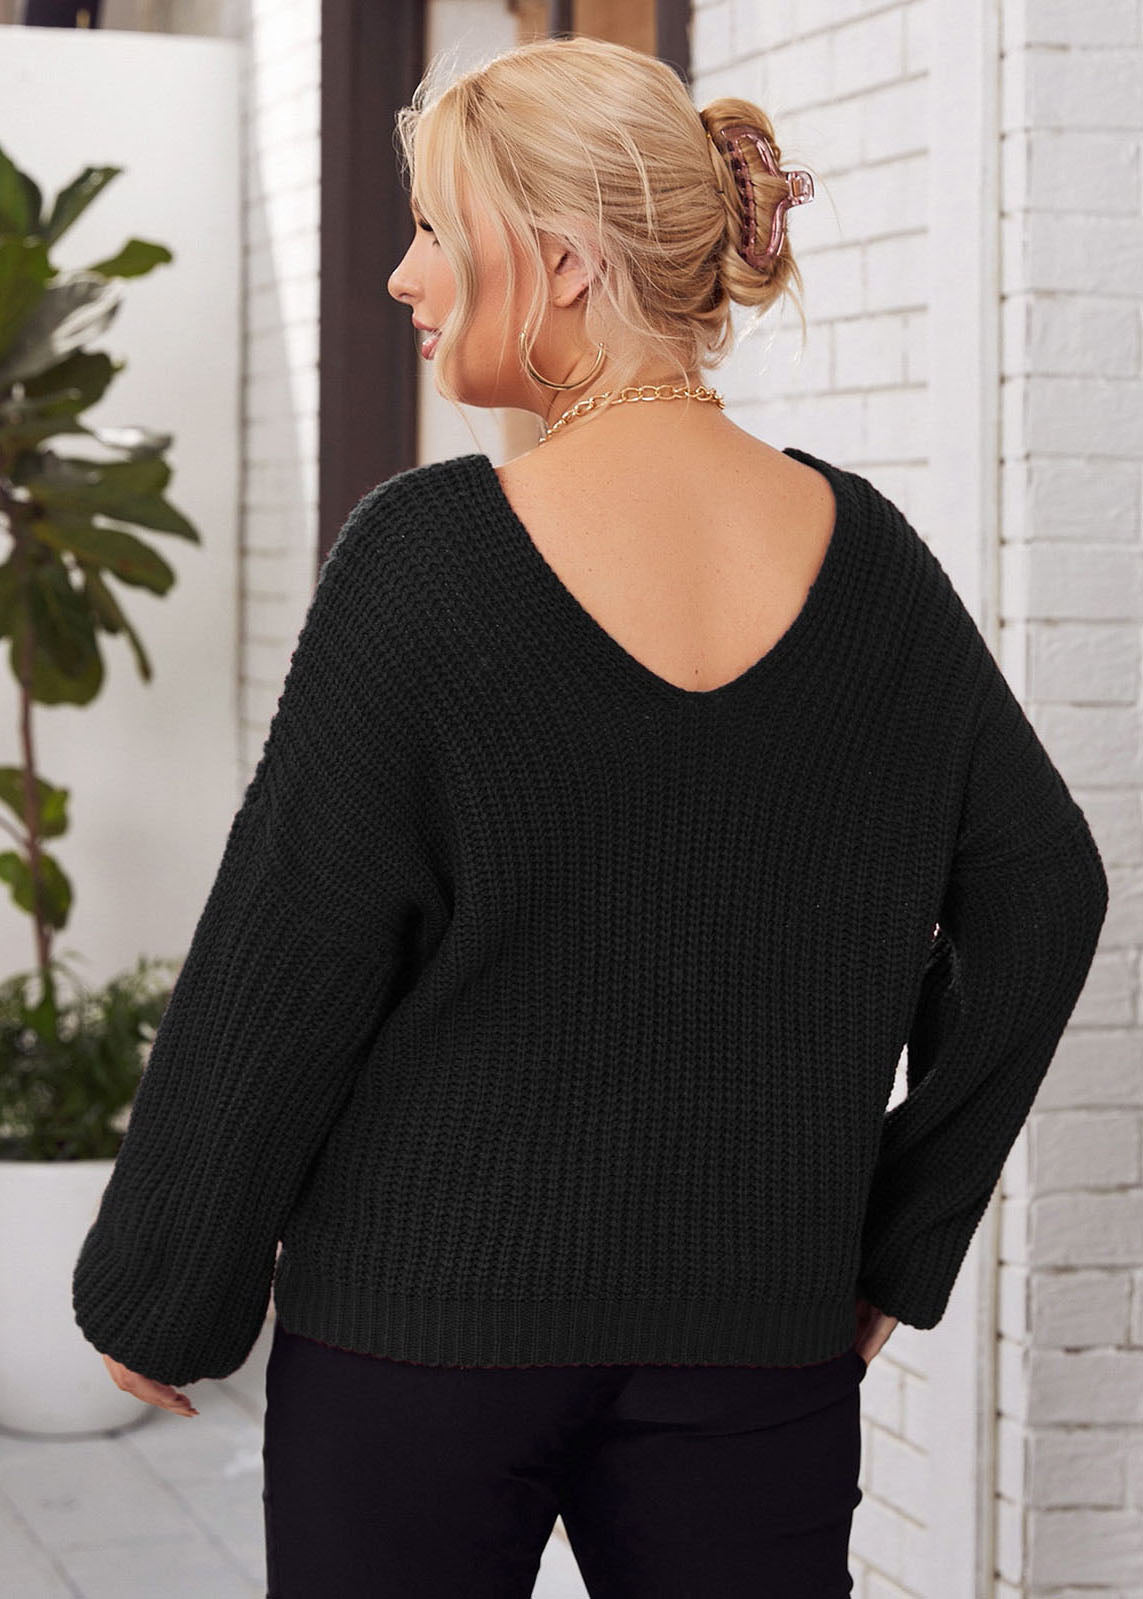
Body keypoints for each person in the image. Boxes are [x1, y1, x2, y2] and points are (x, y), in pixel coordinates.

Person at [73, 35, 1109, 1599]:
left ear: (559, 263)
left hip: (418, 1334)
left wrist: (168, 1288)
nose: (407, 276)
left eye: (437, 229)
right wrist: (897, 1240)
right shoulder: (874, 562)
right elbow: (1046, 896)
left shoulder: (425, 556)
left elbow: (291, 949)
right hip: (755, 1341)